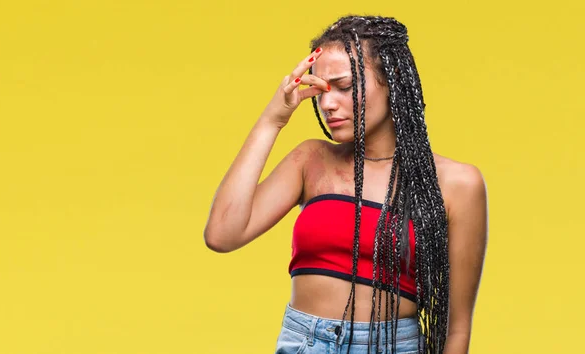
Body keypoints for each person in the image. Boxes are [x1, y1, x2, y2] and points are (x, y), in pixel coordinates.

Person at [204, 15, 488, 354]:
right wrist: (272, 121)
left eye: (344, 87)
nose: (327, 104)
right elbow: (221, 234)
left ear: (392, 80)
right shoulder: (311, 160)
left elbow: (457, 330)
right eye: (321, 92)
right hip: (303, 343)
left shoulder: (457, 184)